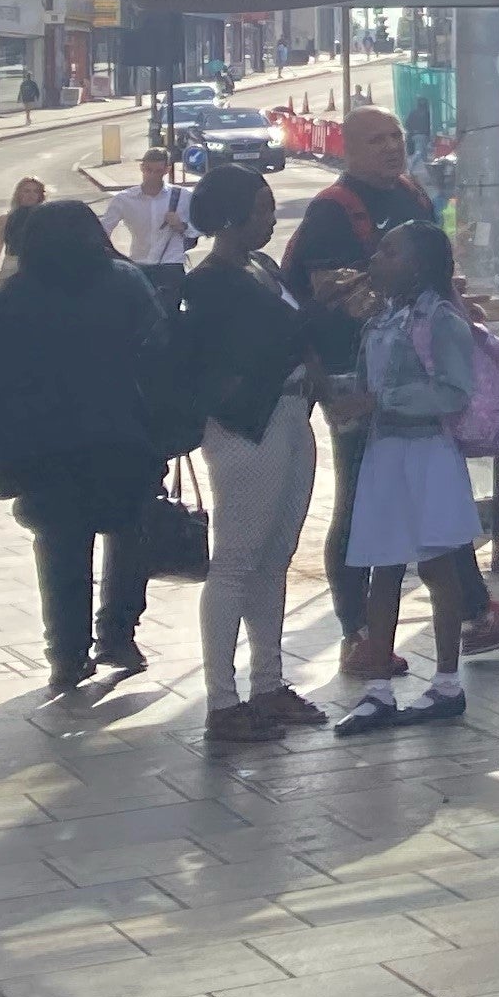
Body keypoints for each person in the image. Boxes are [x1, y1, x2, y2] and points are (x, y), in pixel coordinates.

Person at [287, 107, 499, 675]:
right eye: (376, 140)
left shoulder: (412, 197)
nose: (391, 148)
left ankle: (476, 612)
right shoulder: (333, 211)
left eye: (396, 137)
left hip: (420, 373)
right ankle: (358, 634)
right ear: (348, 148)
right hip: (357, 378)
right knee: (358, 499)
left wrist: (449, 300)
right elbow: (325, 295)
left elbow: (431, 270)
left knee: (436, 493)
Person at [0, 198, 168, 699]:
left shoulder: (13, 298)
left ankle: (66, 653)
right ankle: (119, 634)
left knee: (61, 548)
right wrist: (166, 431)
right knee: (129, 536)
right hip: (122, 438)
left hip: (43, 448)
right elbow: (160, 359)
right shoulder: (125, 283)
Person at [172, 164, 321, 746]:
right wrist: (321, 306)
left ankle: (268, 683)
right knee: (235, 558)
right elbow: (261, 342)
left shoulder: (261, 266)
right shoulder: (209, 281)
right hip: (245, 426)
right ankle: (222, 698)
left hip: (289, 412)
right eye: (261, 208)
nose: (269, 218)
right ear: (231, 216)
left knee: (275, 556)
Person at [332, 223, 484, 736]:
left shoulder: (440, 319)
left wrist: (381, 401)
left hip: (425, 456)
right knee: (382, 567)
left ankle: (446, 682)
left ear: (418, 264)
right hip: (384, 454)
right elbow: (366, 377)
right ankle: (378, 688)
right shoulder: (384, 317)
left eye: (389, 251)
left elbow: (454, 392)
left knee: (438, 568)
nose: (376, 258)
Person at [81, 141, 195, 303]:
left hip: (171, 264)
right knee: (142, 314)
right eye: (149, 170)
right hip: (139, 263)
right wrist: (117, 259)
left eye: (159, 171)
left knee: (170, 313)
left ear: (167, 170)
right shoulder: (124, 199)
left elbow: (198, 229)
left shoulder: (183, 196)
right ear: (142, 168)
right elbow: (102, 232)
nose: (153, 175)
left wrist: (180, 225)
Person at [0, 175, 50, 291]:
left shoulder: (48, 218)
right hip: (11, 267)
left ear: (40, 195)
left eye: (35, 191)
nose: (31, 195)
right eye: (26, 191)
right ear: (18, 194)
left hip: (38, 268)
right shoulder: (5, 220)